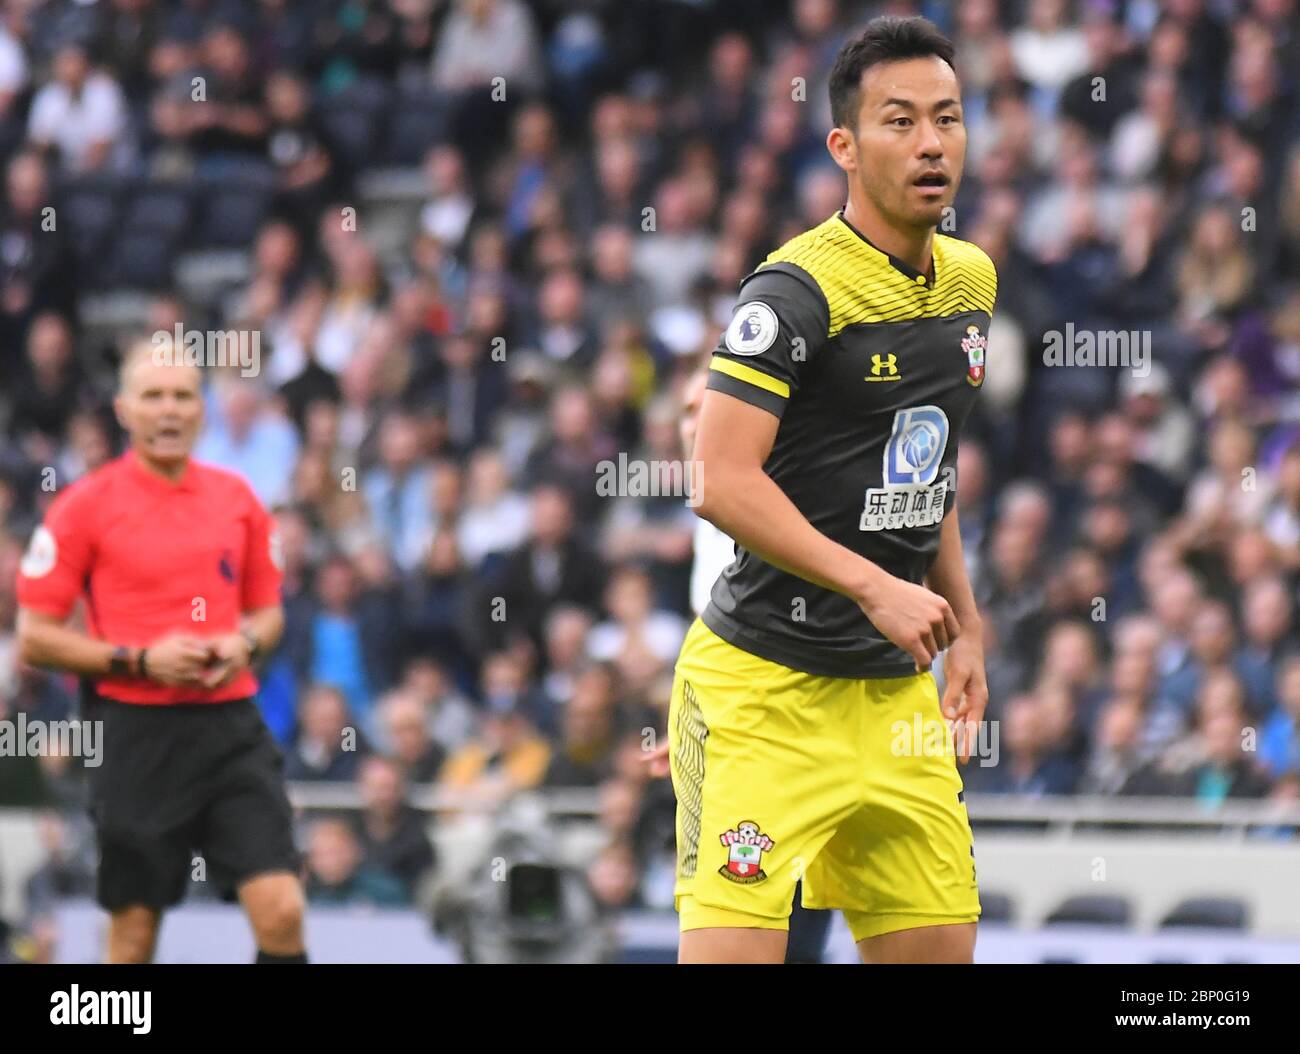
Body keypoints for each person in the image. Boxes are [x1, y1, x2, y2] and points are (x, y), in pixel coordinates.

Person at [664, 16, 993, 964]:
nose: (932, 143)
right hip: (762, 695)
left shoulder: (971, 281)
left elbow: (927, 472)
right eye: (901, 121)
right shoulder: (793, 293)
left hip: (895, 704)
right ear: (844, 146)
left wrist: (964, 623)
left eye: (949, 118)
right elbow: (719, 482)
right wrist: (875, 586)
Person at [14, 338, 307, 964]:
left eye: (181, 396)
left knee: (282, 910)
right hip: (133, 732)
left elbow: (269, 613)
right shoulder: (83, 507)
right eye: (153, 397)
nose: (168, 411)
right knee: (135, 932)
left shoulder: (239, 500)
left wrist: (244, 641)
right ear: (124, 409)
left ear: (202, 409)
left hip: (229, 726)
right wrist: (140, 660)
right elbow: (36, 634)